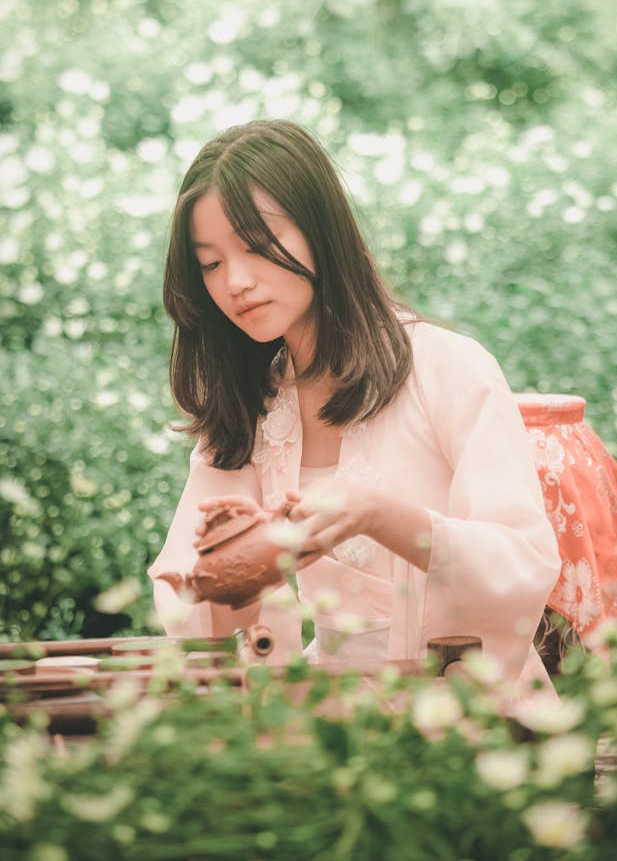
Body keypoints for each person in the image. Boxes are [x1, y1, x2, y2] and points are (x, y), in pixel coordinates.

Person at [148, 119, 561, 691]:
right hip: (325, 712)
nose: (235, 281)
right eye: (211, 263)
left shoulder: (447, 368)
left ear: (321, 230)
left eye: (254, 245)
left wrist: (379, 514)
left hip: (467, 707)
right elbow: (185, 602)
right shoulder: (252, 408)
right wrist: (225, 579)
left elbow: (523, 565)